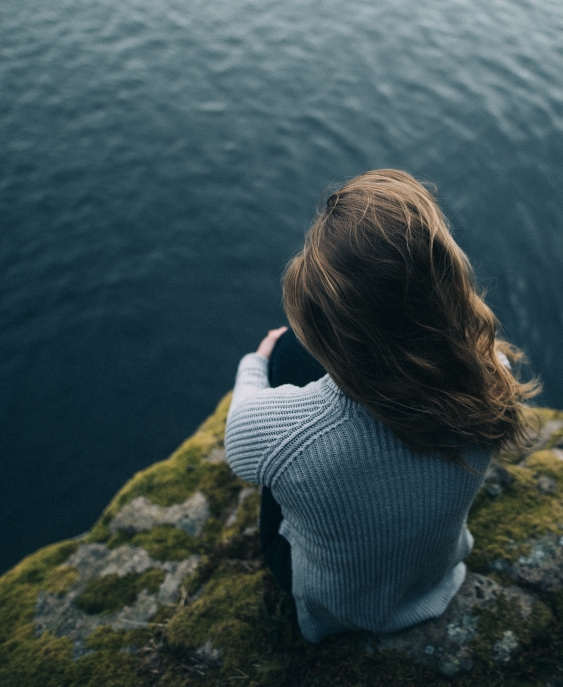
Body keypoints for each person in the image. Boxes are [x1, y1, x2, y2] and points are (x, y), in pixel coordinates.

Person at [224, 169, 539, 643]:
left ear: (338, 335)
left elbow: (239, 436)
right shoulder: (491, 376)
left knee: (288, 356)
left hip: (337, 602)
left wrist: (257, 359)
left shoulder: (283, 433)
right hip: (433, 579)